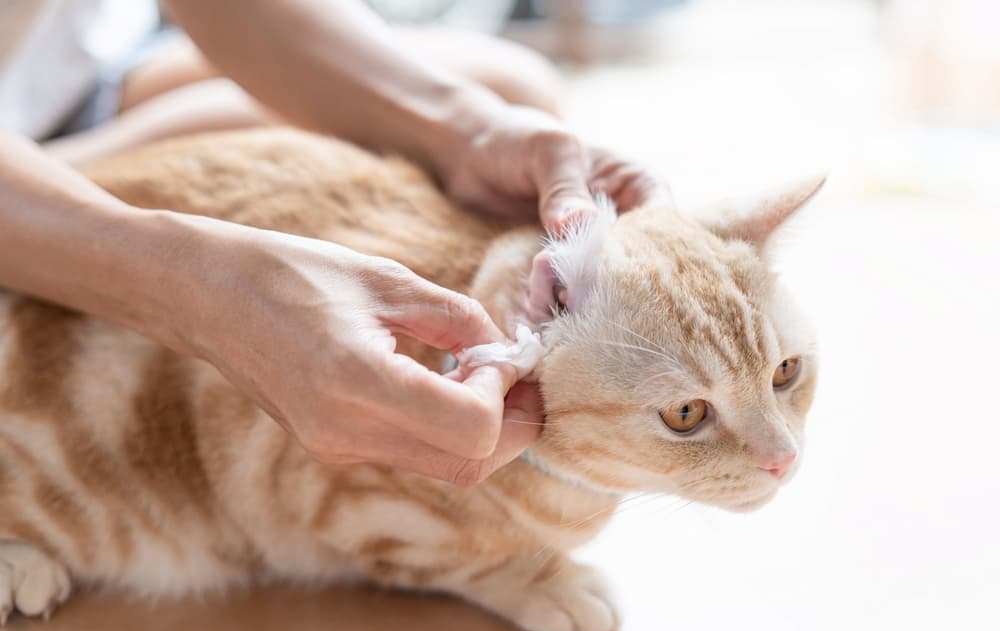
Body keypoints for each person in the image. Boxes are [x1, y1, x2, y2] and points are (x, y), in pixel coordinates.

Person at [0, 0, 668, 484]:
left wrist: (467, 131)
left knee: (517, 90)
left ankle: (52, 195)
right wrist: (192, 284)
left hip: (81, 75)